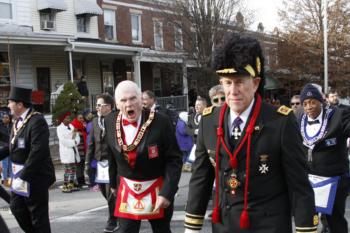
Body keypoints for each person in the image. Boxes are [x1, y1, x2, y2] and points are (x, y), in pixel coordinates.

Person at [184, 33, 318, 233]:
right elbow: (201, 177)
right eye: (227, 83)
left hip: (268, 226)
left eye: (239, 82)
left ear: (255, 84)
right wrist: (192, 227)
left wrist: (305, 228)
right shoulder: (208, 119)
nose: (232, 90)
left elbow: (298, 184)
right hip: (224, 225)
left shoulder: (280, 121)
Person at [104, 80, 182, 233]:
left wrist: (167, 192)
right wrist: (113, 183)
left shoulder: (161, 121)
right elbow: (111, 153)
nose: (129, 104)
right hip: (127, 188)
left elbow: (174, 159)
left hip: (157, 187)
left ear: (141, 99)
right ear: (117, 104)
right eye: (123, 100)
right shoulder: (110, 121)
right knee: (125, 230)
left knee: (162, 231)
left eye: (133, 98)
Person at [1, 85, 55, 232]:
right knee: (16, 207)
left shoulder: (37, 121)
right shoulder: (17, 121)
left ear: (20, 104)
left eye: (10, 102)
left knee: (38, 216)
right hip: (18, 175)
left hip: (34, 177)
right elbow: (11, 147)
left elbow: (38, 151)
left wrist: (23, 177)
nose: (8, 105)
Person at [299, 83, 350, 233]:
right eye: (305, 103)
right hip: (308, 179)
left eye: (313, 102)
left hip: (334, 179)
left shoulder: (338, 115)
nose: (309, 107)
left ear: (321, 101)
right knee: (307, 220)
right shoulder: (297, 117)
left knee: (334, 220)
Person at [85, 93, 119, 233]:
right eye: (97, 105)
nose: (97, 108)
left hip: (114, 162)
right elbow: (91, 144)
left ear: (109, 106)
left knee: (110, 191)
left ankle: (113, 220)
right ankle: (117, 211)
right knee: (104, 191)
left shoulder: (116, 119)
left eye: (100, 105)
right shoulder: (95, 122)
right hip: (101, 163)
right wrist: (88, 163)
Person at [56, 112, 81, 193]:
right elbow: (63, 141)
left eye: (69, 118)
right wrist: (73, 142)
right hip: (66, 151)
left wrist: (76, 141)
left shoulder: (71, 126)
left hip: (73, 150)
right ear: (62, 119)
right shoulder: (59, 128)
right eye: (66, 118)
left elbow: (77, 136)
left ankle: (71, 183)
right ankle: (65, 184)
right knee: (68, 169)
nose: (68, 119)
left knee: (73, 168)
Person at [71, 113, 88, 188]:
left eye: (82, 118)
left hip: (83, 149)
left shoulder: (83, 127)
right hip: (78, 150)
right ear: (76, 119)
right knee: (78, 166)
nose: (82, 119)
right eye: (80, 118)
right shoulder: (74, 126)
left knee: (82, 165)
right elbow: (72, 138)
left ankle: (83, 181)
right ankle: (80, 182)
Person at [0, 113, 12, 187]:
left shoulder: (12, 126)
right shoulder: (0, 126)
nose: (4, 119)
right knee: (4, 165)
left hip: (11, 148)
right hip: (3, 147)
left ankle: (11, 180)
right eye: (3, 117)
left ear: (9, 119)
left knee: (11, 165)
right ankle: (4, 181)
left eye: (6, 117)